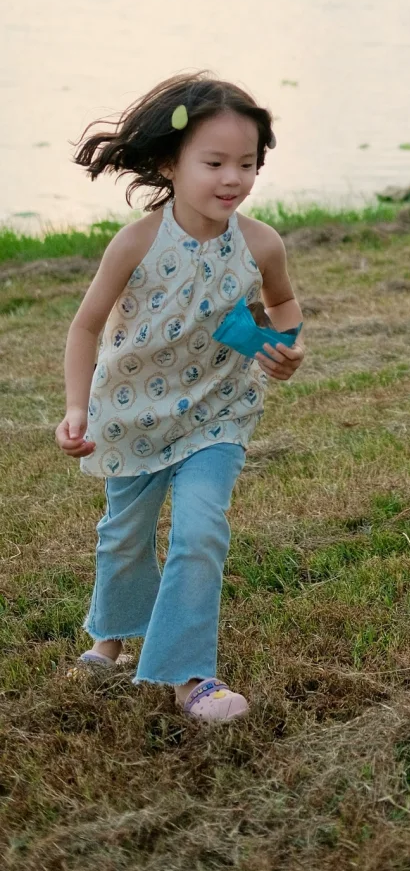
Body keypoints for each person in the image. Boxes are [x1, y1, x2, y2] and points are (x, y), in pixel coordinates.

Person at [55, 74, 305, 721]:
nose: (233, 178)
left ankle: (190, 676)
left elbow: (281, 303)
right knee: (125, 537)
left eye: (246, 164)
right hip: (132, 415)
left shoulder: (260, 243)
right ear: (170, 163)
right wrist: (77, 407)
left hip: (218, 414)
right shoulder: (137, 242)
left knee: (201, 530)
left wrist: (286, 346)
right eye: (214, 162)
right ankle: (109, 636)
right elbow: (85, 325)